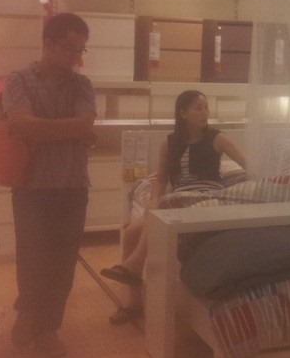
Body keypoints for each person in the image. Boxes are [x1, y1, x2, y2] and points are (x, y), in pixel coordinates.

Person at [101, 89, 247, 325]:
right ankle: (133, 303)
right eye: (198, 108)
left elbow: (247, 164)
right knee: (131, 232)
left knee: (161, 210)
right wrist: (154, 200)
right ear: (183, 113)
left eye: (206, 108)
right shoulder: (169, 143)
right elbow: (161, 180)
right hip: (176, 199)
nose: (204, 113)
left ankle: (133, 265)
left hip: (205, 197)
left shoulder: (218, 138)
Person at [4, 12, 96, 358]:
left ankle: (48, 329)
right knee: (32, 256)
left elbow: (84, 123)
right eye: (71, 49)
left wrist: (42, 128)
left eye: (81, 50)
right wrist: (74, 130)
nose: (77, 57)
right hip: (30, 185)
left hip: (73, 185)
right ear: (48, 44)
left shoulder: (82, 85)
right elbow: (21, 125)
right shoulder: (18, 80)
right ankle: (28, 313)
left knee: (63, 262)